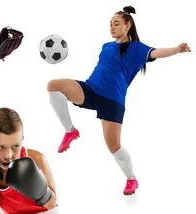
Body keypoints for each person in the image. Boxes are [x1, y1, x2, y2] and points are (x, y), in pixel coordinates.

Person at [47, 5, 190, 195]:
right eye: (110, 24)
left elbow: (157, 52)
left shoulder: (137, 48)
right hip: (90, 90)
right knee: (54, 85)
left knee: (113, 145)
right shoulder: (106, 46)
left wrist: (176, 50)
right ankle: (70, 132)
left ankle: (131, 179)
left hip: (112, 100)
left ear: (128, 25)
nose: (112, 27)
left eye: (116, 24)